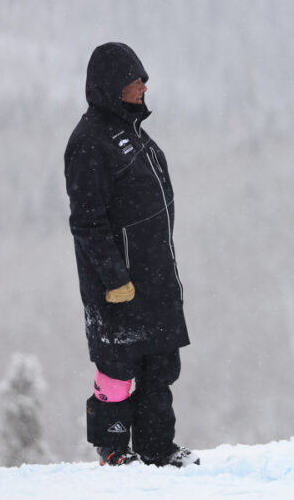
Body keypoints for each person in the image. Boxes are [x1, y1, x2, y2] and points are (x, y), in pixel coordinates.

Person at [64, 42, 199, 467]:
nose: (143, 86)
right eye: (134, 79)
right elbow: (88, 222)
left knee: (159, 367)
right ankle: (112, 449)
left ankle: (157, 449)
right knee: (118, 367)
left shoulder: (132, 131)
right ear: (110, 86)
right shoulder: (89, 141)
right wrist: (114, 277)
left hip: (155, 276)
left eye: (143, 78)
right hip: (118, 285)